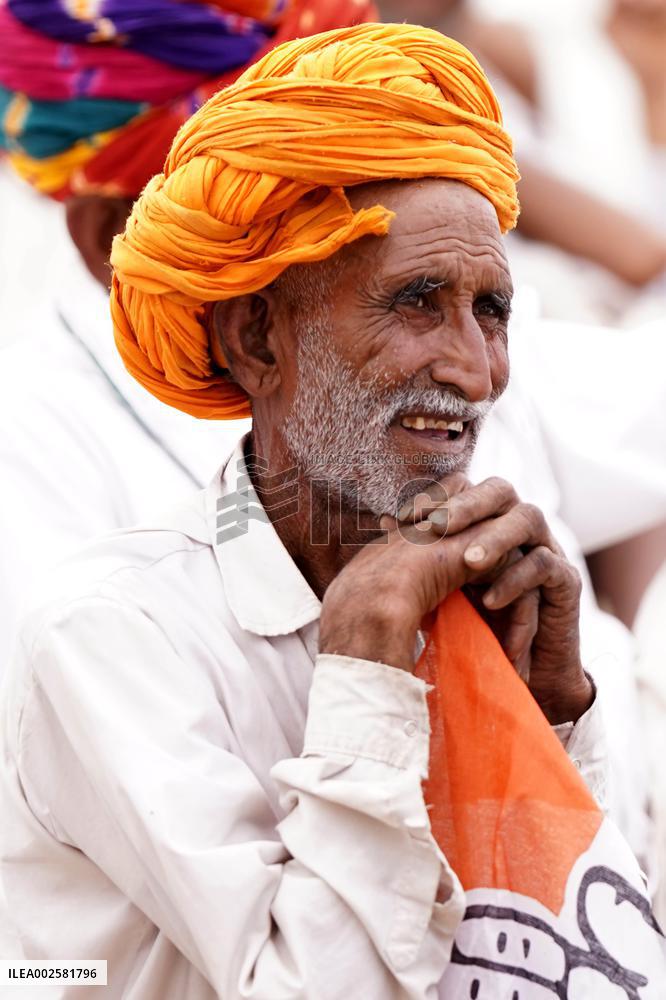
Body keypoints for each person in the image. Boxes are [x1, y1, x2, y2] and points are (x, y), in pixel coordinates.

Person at [0, 24, 618, 996]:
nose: (474, 369)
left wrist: (553, 720)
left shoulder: (504, 579)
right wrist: (367, 661)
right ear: (257, 338)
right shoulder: (112, 638)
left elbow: (592, 942)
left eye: (491, 310)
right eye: (417, 302)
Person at [0, 0, 377, 672]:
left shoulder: (445, 342)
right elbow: (119, 728)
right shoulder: (30, 447)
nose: (352, 224)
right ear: (113, 237)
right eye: (282, 196)